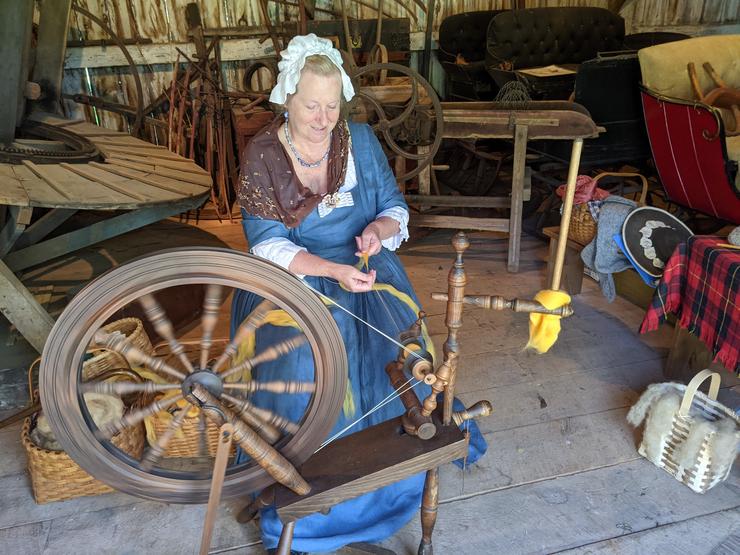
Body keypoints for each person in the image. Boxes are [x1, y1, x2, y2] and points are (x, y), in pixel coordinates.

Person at [232, 34, 485, 553]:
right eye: (310, 106)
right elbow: (267, 244)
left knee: (398, 347)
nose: (323, 118)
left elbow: (395, 207)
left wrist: (378, 234)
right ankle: (314, 503)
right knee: (307, 365)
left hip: (367, 269)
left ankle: (402, 469)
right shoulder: (262, 154)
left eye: (331, 105)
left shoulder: (360, 141)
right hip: (298, 277)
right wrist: (330, 269)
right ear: (286, 98)